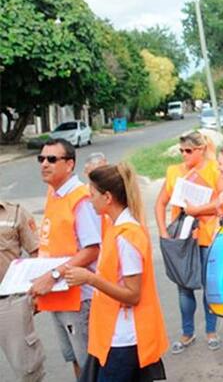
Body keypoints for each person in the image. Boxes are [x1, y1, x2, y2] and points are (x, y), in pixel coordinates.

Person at [65, 163, 168, 381]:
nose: (89, 199)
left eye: (92, 194)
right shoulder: (116, 226)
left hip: (124, 338)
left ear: (108, 197)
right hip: (113, 334)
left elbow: (132, 295)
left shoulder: (126, 236)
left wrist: (90, 278)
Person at [30, 138, 103, 379]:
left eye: (52, 159)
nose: (44, 164)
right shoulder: (54, 193)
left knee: (89, 364)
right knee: (73, 358)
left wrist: (52, 276)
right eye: (42, 159)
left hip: (78, 298)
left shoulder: (81, 198)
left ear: (69, 164)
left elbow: (92, 249)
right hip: (57, 294)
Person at [154, 131, 221, 354]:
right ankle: (187, 332)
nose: (184, 155)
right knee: (184, 287)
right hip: (181, 237)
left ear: (201, 150)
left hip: (206, 235)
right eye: (181, 150)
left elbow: (222, 202)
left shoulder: (213, 169)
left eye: (189, 150)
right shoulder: (174, 172)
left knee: (208, 285)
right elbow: (160, 203)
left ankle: (211, 331)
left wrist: (197, 210)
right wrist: (163, 231)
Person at [0, 200, 45, 381]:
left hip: (10, 301)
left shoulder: (16, 213)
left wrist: (35, 291)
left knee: (27, 370)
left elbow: (37, 252)